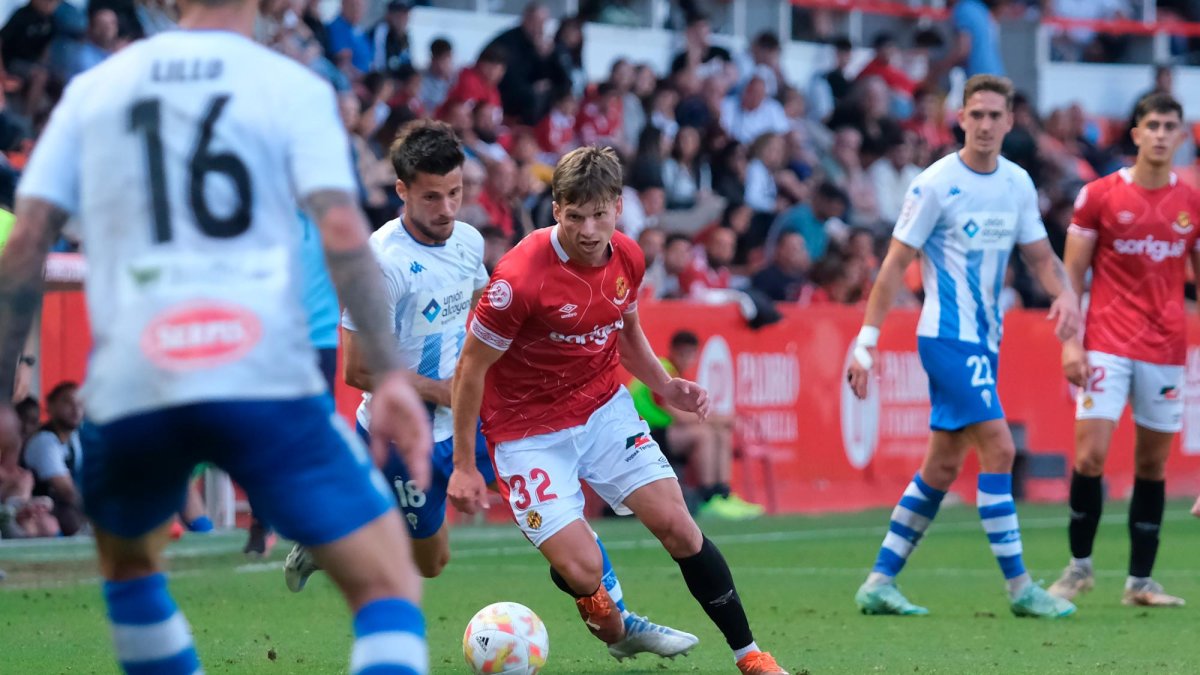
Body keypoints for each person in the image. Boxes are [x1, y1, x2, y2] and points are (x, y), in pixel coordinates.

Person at [0, 0, 436, 671]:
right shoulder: (293, 88)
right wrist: (392, 374)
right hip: (259, 374)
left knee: (132, 574)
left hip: (133, 385)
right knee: (388, 583)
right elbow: (344, 234)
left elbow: (27, 242)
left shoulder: (96, 89)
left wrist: (3, 396)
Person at [283, 120, 698, 661]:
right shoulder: (378, 265)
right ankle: (332, 541)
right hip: (404, 432)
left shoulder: (469, 241)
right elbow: (358, 371)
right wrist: (447, 391)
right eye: (431, 197)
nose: (447, 209)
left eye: (455, 193)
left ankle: (619, 621)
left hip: (478, 416)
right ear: (402, 190)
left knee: (557, 505)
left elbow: (491, 320)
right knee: (431, 561)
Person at [448, 146, 786, 674]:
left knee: (679, 526)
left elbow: (626, 333)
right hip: (527, 433)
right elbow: (470, 368)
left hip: (603, 409)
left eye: (599, 214)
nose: (588, 230)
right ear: (556, 210)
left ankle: (752, 657)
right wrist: (465, 466)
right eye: (575, 216)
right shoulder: (518, 279)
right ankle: (610, 611)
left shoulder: (628, 256)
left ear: (619, 207)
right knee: (586, 578)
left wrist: (665, 385)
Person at [846, 75, 1083, 619]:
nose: (984, 124)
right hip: (947, 337)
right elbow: (893, 267)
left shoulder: (1017, 183)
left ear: (1009, 121)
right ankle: (1020, 587)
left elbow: (1040, 257)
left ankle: (879, 581)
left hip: (986, 339)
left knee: (942, 466)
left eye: (994, 115)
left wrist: (1066, 297)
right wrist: (866, 342)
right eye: (976, 114)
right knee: (1000, 449)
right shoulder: (935, 184)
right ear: (960, 119)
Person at [1047, 93, 1200, 609]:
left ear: (1181, 136)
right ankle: (1079, 567)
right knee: (1090, 455)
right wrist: (1070, 343)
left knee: (1152, 465)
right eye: (1151, 125)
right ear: (1135, 133)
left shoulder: (1192, 202)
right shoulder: (1099, 195)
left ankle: (1140, 582)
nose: (1160, 134)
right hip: (1106, 344)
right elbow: (1070, 278)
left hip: (1166, 348)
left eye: (1169, 126)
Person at [630, 330, 764, 519]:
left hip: (660, 433)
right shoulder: (663, 373)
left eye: (691, 354)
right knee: (704, 434)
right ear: (673, 351)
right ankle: (707, 498)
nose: (687, 359)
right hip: (641, 437)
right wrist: (720, 419)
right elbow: (681, 417)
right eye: (682, 354)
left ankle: (723, 494)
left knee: (721, 432)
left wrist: (719, 421)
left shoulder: (676, 374)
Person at [20, 381, 84, 535]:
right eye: (67, 402)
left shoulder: (74, 438)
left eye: (80, 403)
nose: (75, 409)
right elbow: (67, 492)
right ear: (50, 405)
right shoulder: (44, 441)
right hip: (40, 515)